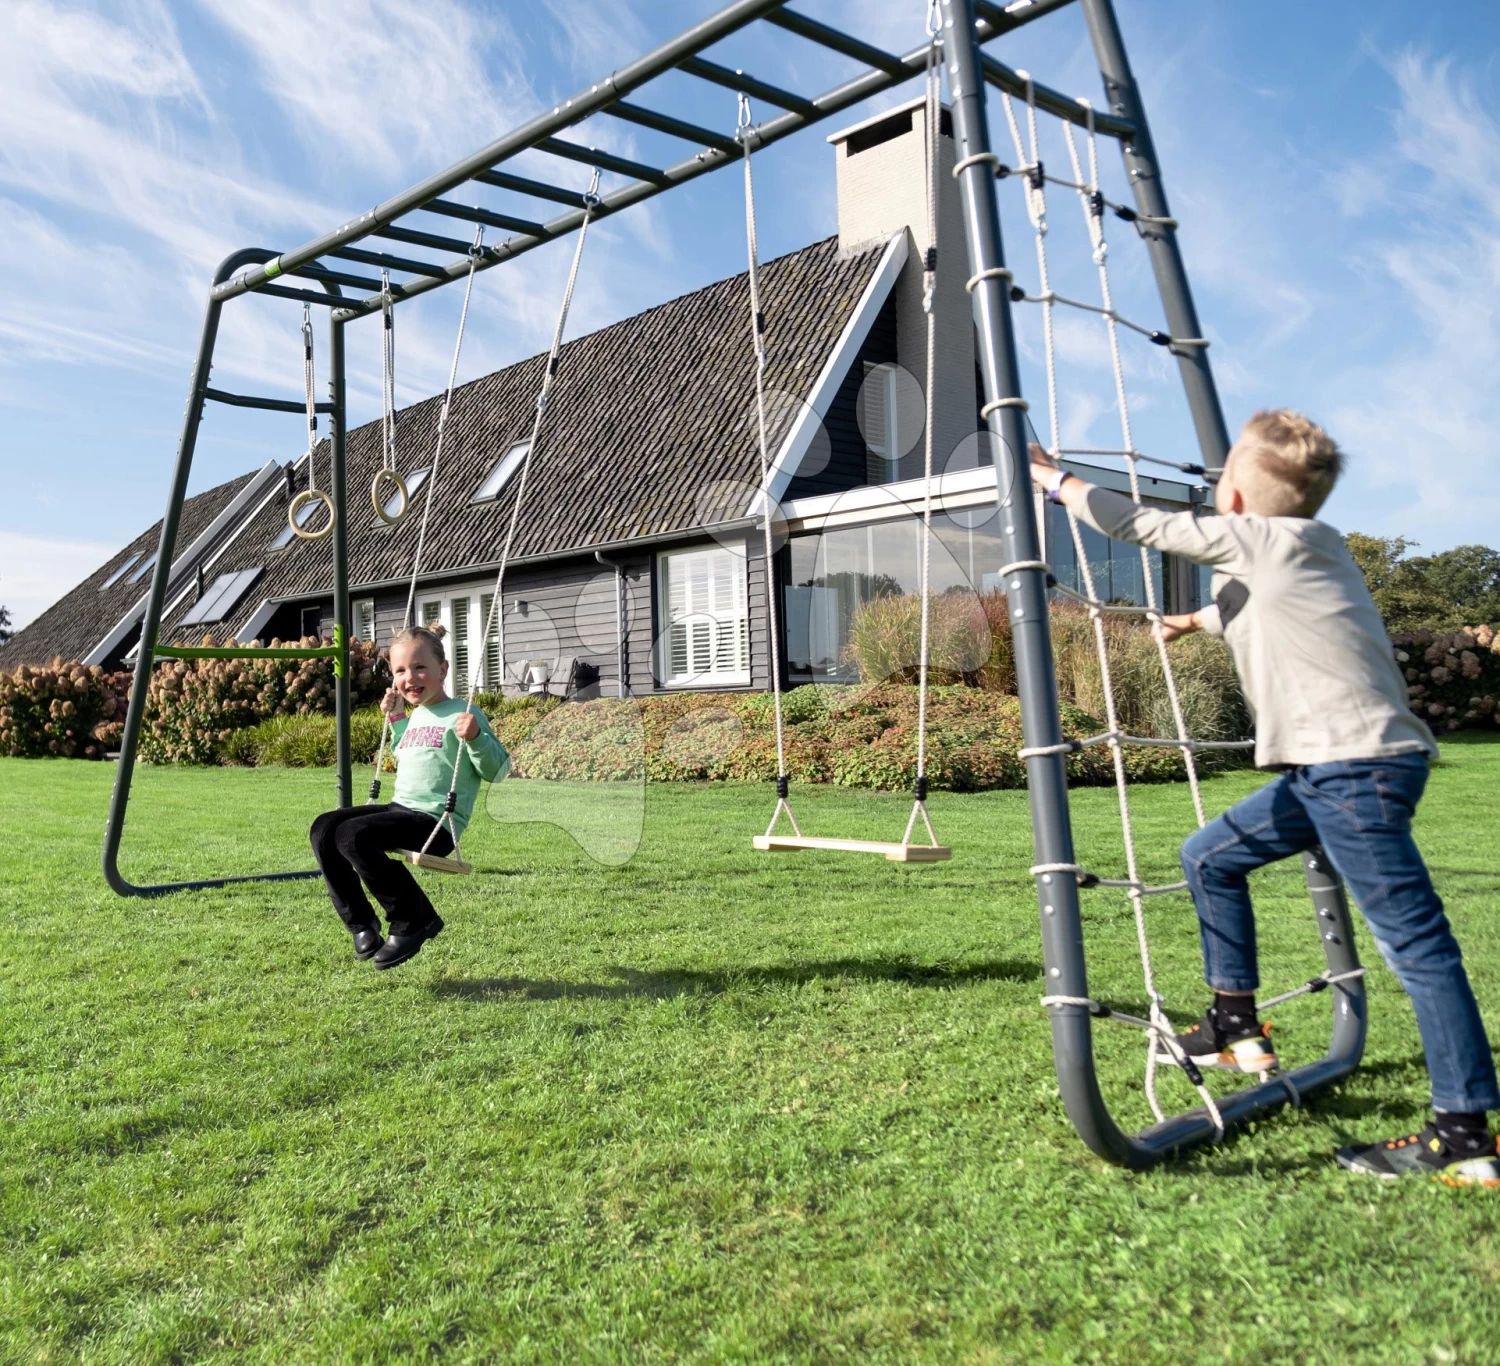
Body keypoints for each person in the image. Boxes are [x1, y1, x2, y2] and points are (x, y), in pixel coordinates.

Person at [1031, 409, 1499, 1186]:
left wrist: (1057, 480)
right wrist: (1191, 621)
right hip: (1334, 772)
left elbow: (1139, 525)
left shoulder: (1256, 539)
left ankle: (1463, 1133)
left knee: (1418, 947)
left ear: (1237, 501)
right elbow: (1251, 610)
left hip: (1353, 769)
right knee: (1208, 856)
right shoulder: (1317, 548)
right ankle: (1234, 1025)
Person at [309, 624, 509, 970]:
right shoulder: (417, 716)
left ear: (443, 669)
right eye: (400, 670)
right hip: (401, 810)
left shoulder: (464, 713)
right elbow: (406, 751)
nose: (409, 678)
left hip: (434, 824)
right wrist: (398, 718)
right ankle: (361, 924)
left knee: (352, 835)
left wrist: (476, 737)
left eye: (419, 667)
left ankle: (413, 919)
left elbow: (499, 770)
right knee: (324, 828)